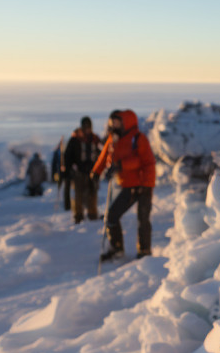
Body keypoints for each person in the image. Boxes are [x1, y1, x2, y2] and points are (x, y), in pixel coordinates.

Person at [91, 109, 155, 261]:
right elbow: (104, 156)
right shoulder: (113, 139)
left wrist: (120, 165)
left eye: (117, 121)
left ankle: (144, 252)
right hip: (127, 185)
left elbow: (146, 162)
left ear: (126, 122)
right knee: (111, 216)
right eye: (112, 122)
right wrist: (96, 172)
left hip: (144, 184)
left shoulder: (138, 139)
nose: (114, 124)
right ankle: (116, 248)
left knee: (143, 218)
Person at [63, 116, 103, 224]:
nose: (87, 129)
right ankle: (78, 217)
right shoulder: (75, 139)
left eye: (88, 127)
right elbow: (67, 156)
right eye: (85, 126)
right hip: (79, 172)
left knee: (92, 194)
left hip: (92, 172)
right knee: (78, 196)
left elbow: (101, 153)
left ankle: (93, 215)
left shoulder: (94, 139)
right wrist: (68, 169)